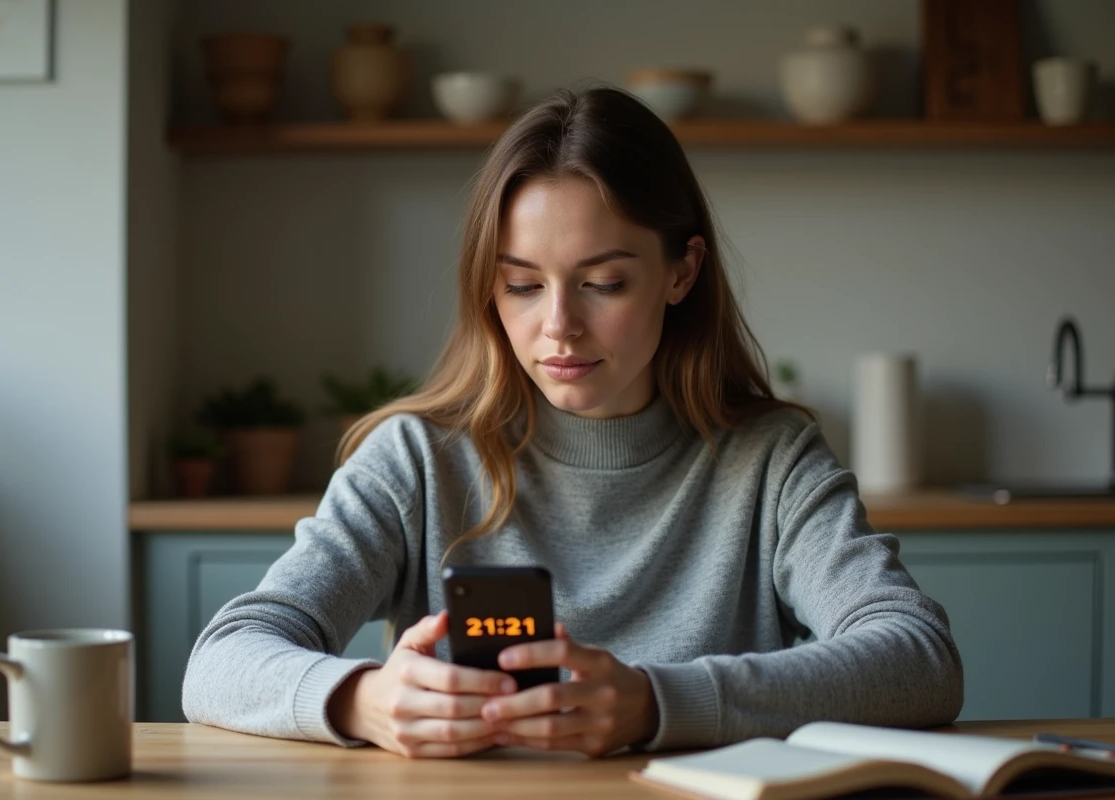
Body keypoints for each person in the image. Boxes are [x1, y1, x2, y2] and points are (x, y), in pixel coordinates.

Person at [182, 86, 964, 759]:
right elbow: (220, 661)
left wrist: (658, 702)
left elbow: (919, 660)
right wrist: (360, 699)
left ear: (681, 273)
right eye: (522, 286)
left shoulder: (771, 460)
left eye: (604, 282)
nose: (559, 327)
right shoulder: (418, 459)